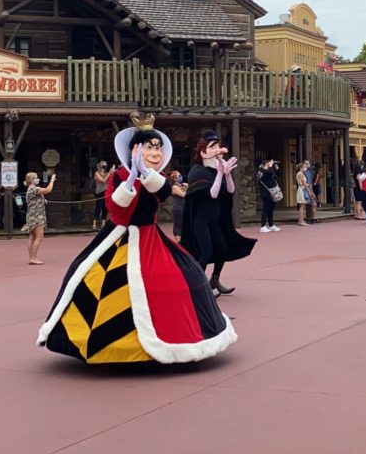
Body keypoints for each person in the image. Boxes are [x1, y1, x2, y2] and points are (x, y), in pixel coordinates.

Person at [38, 112, 237, 364]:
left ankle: (180, 337)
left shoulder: (157, 178)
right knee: (89, 276)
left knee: (187, 275)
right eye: (149, 147)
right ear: (135, 150)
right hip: (118, 235)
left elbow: (165, 193)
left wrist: (145, 175)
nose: (155, 152)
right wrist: (131, 180)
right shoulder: (118, 176)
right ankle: (102, 342)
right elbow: (116, 209)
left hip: (150, 237)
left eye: (157, 147)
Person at [181, 131, 256, 296]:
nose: (217, 150)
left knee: (222, 250)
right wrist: (220, 173)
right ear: (203, 152)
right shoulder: (197, 171)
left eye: (217, 146)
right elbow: (212, 194)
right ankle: (197, 286)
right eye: (212, 147)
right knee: (206, 253)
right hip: (200, 221)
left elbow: (230, 191)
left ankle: (214, 280)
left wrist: (227, 174)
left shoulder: (216, 170)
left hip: (214, 221)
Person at [25, 171, 56, 265]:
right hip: (37, 216)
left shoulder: (30, 189)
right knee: (39, 237)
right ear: (31, 180)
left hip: (31, 215)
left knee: (32, 237)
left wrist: (43, 200)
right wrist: (52, 180)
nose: (37, 179)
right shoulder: (34, 189)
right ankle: (33, 258)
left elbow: (36, 198)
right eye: (36, 178)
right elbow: (48, 190)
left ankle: (31, 257)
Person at [257, 159, 281, 233]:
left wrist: (276, 167)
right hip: (266, 193)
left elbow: (276, 176)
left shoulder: (269, 171)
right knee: (266, 208)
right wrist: (270, 166)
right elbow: (269, 174)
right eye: (269, 163)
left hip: (272, 192)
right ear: (266, 164)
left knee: (271, 208)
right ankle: (263, 226)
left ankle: (271, 225)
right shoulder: (262, 171)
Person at [296, 160, 315, 226]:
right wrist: (309, 191)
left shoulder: (300, 173)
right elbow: (304, 183)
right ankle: (301, 221)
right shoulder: (300, 174)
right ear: (301, 167)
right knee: (302, 206)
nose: (305, 168)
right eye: (304, 167)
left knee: (302, 206)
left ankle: (300, 220)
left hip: (302, 189)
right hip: (302, 189)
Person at [92, 161, 110, 229]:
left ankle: (103, 224)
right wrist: (109, 174)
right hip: (99, 192)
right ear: (100, 166)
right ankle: (94, 223)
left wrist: (111, 172)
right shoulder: (97, 173)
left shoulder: (107, 173)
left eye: (106, 166)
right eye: (103, 166)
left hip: (106, 192)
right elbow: (103, 180)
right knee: (98, 208)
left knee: (105, 208)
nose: (104, 167)